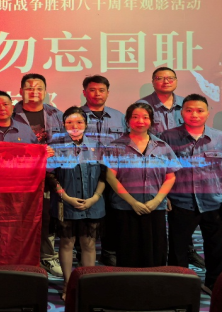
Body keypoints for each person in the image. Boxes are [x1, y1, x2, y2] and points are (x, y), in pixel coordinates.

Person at [161, 94, 222, 293]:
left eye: (199, 110)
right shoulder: (168, 137)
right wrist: (164, 196)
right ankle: (180, 287)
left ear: (208, 113)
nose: (194, 115)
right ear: (182, 113)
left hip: (215, 202)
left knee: (217, 248)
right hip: (180, 202)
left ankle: (215, 285)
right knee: (178, 248)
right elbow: (161, 170)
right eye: (189, 110)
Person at [137, 68, 204, 269]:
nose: (165, 81)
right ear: (153, 81)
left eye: (170, 78)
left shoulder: (187, 104)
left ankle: (187, 251)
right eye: (160, 78)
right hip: (155, 168)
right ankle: (155, 255)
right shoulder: (143, 106)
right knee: (156, 214)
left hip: (185, 167)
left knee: (185, 213)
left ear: (176, 80)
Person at [105, 102, 180, 267]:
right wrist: (133, 202)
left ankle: (154, 281)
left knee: (156, 251)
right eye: (135, 117)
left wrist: (157, 201)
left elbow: (170, 176)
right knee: (128, 251)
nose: (140, 121)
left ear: (151, 121)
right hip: (125, 207)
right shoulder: (116, 146)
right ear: (127, 120)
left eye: (145, 117)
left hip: (155, 207)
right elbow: (111, 177)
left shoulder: (162, 146)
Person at [47, 106, 106, 300]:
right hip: (65, 203)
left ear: (86, 124)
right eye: (70, 122)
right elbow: (50, 176)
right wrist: (66, 197)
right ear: (63, 125)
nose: (75, 126)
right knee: (66, 243)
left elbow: (105, 175)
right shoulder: (54, 147)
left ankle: (86, 284)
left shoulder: (98, 146)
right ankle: (67, 285)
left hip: (93, 203)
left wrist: (95, 198)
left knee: (88, 244)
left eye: (79, 122)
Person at [12, 74, 63, 278]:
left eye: (39, 88)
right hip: (19, 176)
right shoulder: (11, 113)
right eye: (29, 88)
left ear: (45, 91)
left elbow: (65, 142)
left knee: (47, 217)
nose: (34, 92)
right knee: (19, 217)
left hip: (48, 174)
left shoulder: (56, 114)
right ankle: (19, 257)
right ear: (21, 91)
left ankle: (48, 256)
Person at [80, 75, 126, 267]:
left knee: (113, 214)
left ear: (108, 93)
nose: (97, 94)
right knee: (85, 215)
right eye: (92, 90)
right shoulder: (76, 116)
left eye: (101, 90)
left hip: (114, 174)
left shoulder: (119, 117)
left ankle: (109, 252)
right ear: (84, 93)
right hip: (85, 174)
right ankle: (81, 254)